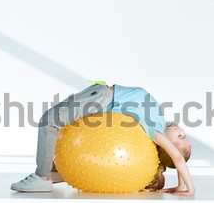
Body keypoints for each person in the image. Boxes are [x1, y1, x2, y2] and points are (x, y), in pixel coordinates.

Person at [11, 82, 195, 196]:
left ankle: (42, 177)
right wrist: (179, 186)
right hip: (102, 96)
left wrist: (188, 188)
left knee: (49, 121)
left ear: (169, 145)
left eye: (180, 136)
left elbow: (178, 158)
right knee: (54, 121)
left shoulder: (155, 131)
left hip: (103, 97)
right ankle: (53, 173)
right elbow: (178, 158)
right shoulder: (159, 119)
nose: (180, 129)